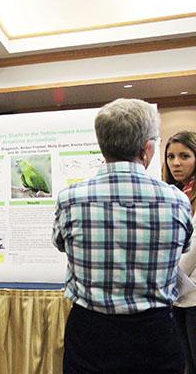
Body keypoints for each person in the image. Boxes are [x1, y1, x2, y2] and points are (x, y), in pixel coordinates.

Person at [52, 99, 193, 374]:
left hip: (90, 334)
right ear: (147, 149)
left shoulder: (71, 199)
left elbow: (60, 243)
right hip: (155, 335)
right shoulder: (176, 200)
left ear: (102, 145)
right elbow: (185, 247)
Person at [163, 131, 196, 373]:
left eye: (184, 156)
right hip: (178, 296)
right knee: (185, 363)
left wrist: (171, 279)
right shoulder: (174, 194)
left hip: (190, 291)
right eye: (171, 156)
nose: (176, 163)